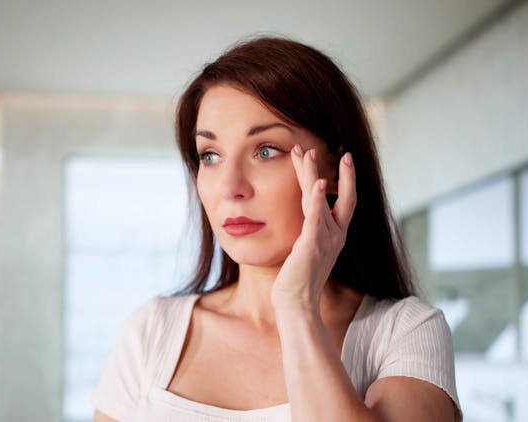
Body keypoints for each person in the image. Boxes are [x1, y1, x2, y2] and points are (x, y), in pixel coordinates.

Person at [92, 36, 461, 422]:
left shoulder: (406, 332)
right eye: (210, 155)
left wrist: (296, 305)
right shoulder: (150, 333)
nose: (230, 187)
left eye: (266, 150)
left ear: (334, 171)